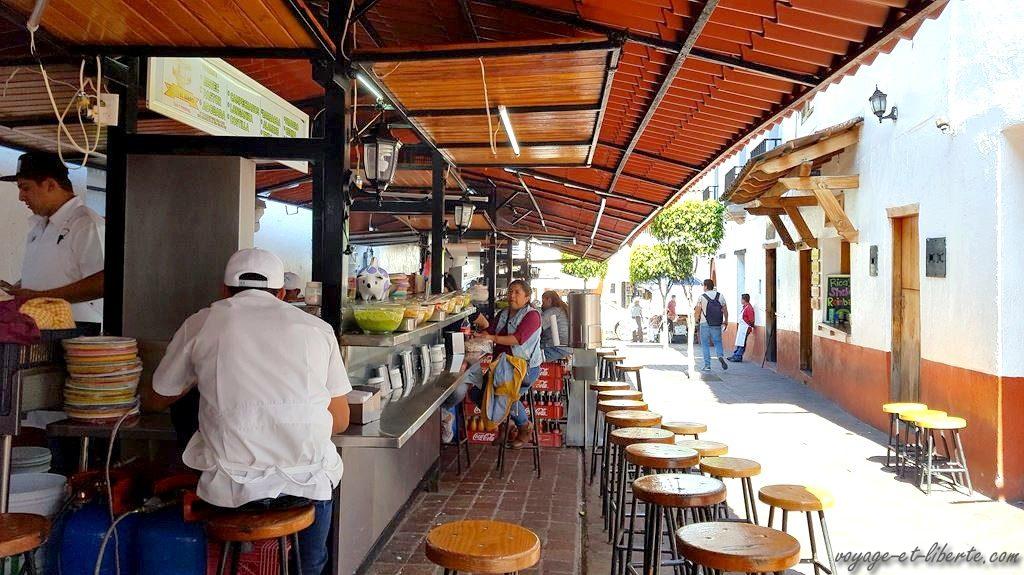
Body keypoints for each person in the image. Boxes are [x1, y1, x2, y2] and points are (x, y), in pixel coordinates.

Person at [146, 248, 351, 575]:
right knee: (312, 554)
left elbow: (158, 398)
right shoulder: (317, 329)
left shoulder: (202, 322)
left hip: (230, 489)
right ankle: (310, 566)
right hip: (305, 486)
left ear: (224, 290)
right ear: (282, 294)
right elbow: (340, 421)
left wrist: (200, 379)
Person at [1, 152, 104, 326]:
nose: (21, 197)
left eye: (25, 188)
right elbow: (50, 274)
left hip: (79, 331)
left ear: (50, 185)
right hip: (44, 330)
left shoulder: (86, 224)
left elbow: (102, 282)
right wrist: (13, 290)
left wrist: (38, 296)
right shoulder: (40, 225)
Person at [473, 279, 544, 448]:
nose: (512, 295)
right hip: (502, 367)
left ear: (527, 297)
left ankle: (525, 427)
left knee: (504, 394)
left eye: (517, 292)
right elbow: (490, 330)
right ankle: (507, 423)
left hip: (523, 368)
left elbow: (518, 339)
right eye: (510, 291)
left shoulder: (532, 316)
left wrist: (492, 338)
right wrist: (479, 334)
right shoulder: (503, 313)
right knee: (476, 393)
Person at [694, 278, 729, 371]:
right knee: (718, 342)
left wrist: (696, 321)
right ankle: (720, 356)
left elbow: (697, 311)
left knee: (705, 344)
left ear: (705, 286)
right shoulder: (720, 296)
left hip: (704, 323)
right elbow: (725, 310)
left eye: (703, 286)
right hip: (717, 323)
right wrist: (726, 321)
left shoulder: (702, 297)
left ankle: (707, 365)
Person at [540, 290, 571, 361]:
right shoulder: (563, 310)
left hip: (555, 348)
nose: (542, 305)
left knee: (530, 358)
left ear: (549, 300)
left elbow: (537, 326)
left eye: (543, 302)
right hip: (567, 348)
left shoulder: (552, 311)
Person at [730, 294, 755, 362]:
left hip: (745, 328)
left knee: (742, 342)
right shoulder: (745, 307)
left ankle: (738, 356)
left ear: (744, 300)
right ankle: (735, 355)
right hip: (742, 327)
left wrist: (749, 326)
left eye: (741, 299)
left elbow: (751, 319)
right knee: (739, 341)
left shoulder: (749, 308)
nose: (741, 300)